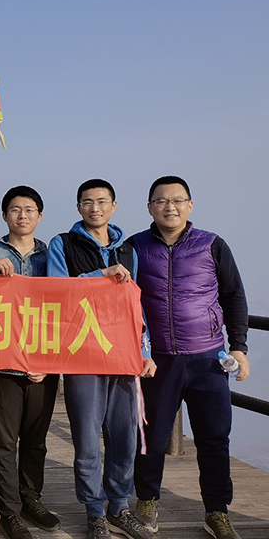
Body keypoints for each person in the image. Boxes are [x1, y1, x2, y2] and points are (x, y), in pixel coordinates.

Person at [129, 176, 250, 539]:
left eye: (178, 200)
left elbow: (234, 296)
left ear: (190, 205)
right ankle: (147, 500)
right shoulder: (134, 247)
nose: (170, 207)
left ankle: (217, 511)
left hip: (207, 359)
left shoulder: (212, 244)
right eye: (161, 201)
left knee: (214, 437)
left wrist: (239, 347)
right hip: (157, 360)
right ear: (150, 207)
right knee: (150, 437)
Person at [47, 179, 156, 539]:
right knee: (87, 440)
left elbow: (135, 304)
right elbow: (57, 291)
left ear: (114, 206)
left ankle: (119, 507)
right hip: (83, 355)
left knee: (124, 437)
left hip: (122, 355)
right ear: (78, 207)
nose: (95, 208)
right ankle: (94, 511)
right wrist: (100, 275)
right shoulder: (63, 243)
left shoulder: (128, 249)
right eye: (87, 202)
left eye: (102, 201)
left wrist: (144, 351)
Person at [0, 187, 60, 539]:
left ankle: (31, 499)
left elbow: (66, 305)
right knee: (3, 443)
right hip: (0, 363)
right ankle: (10, 512)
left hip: (42, 364)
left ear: (40, 215)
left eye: (29, 209)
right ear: (5, 215)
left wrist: (50, 360)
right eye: (15, 209)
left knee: (36, 440)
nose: (22, 215)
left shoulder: (52, 256)